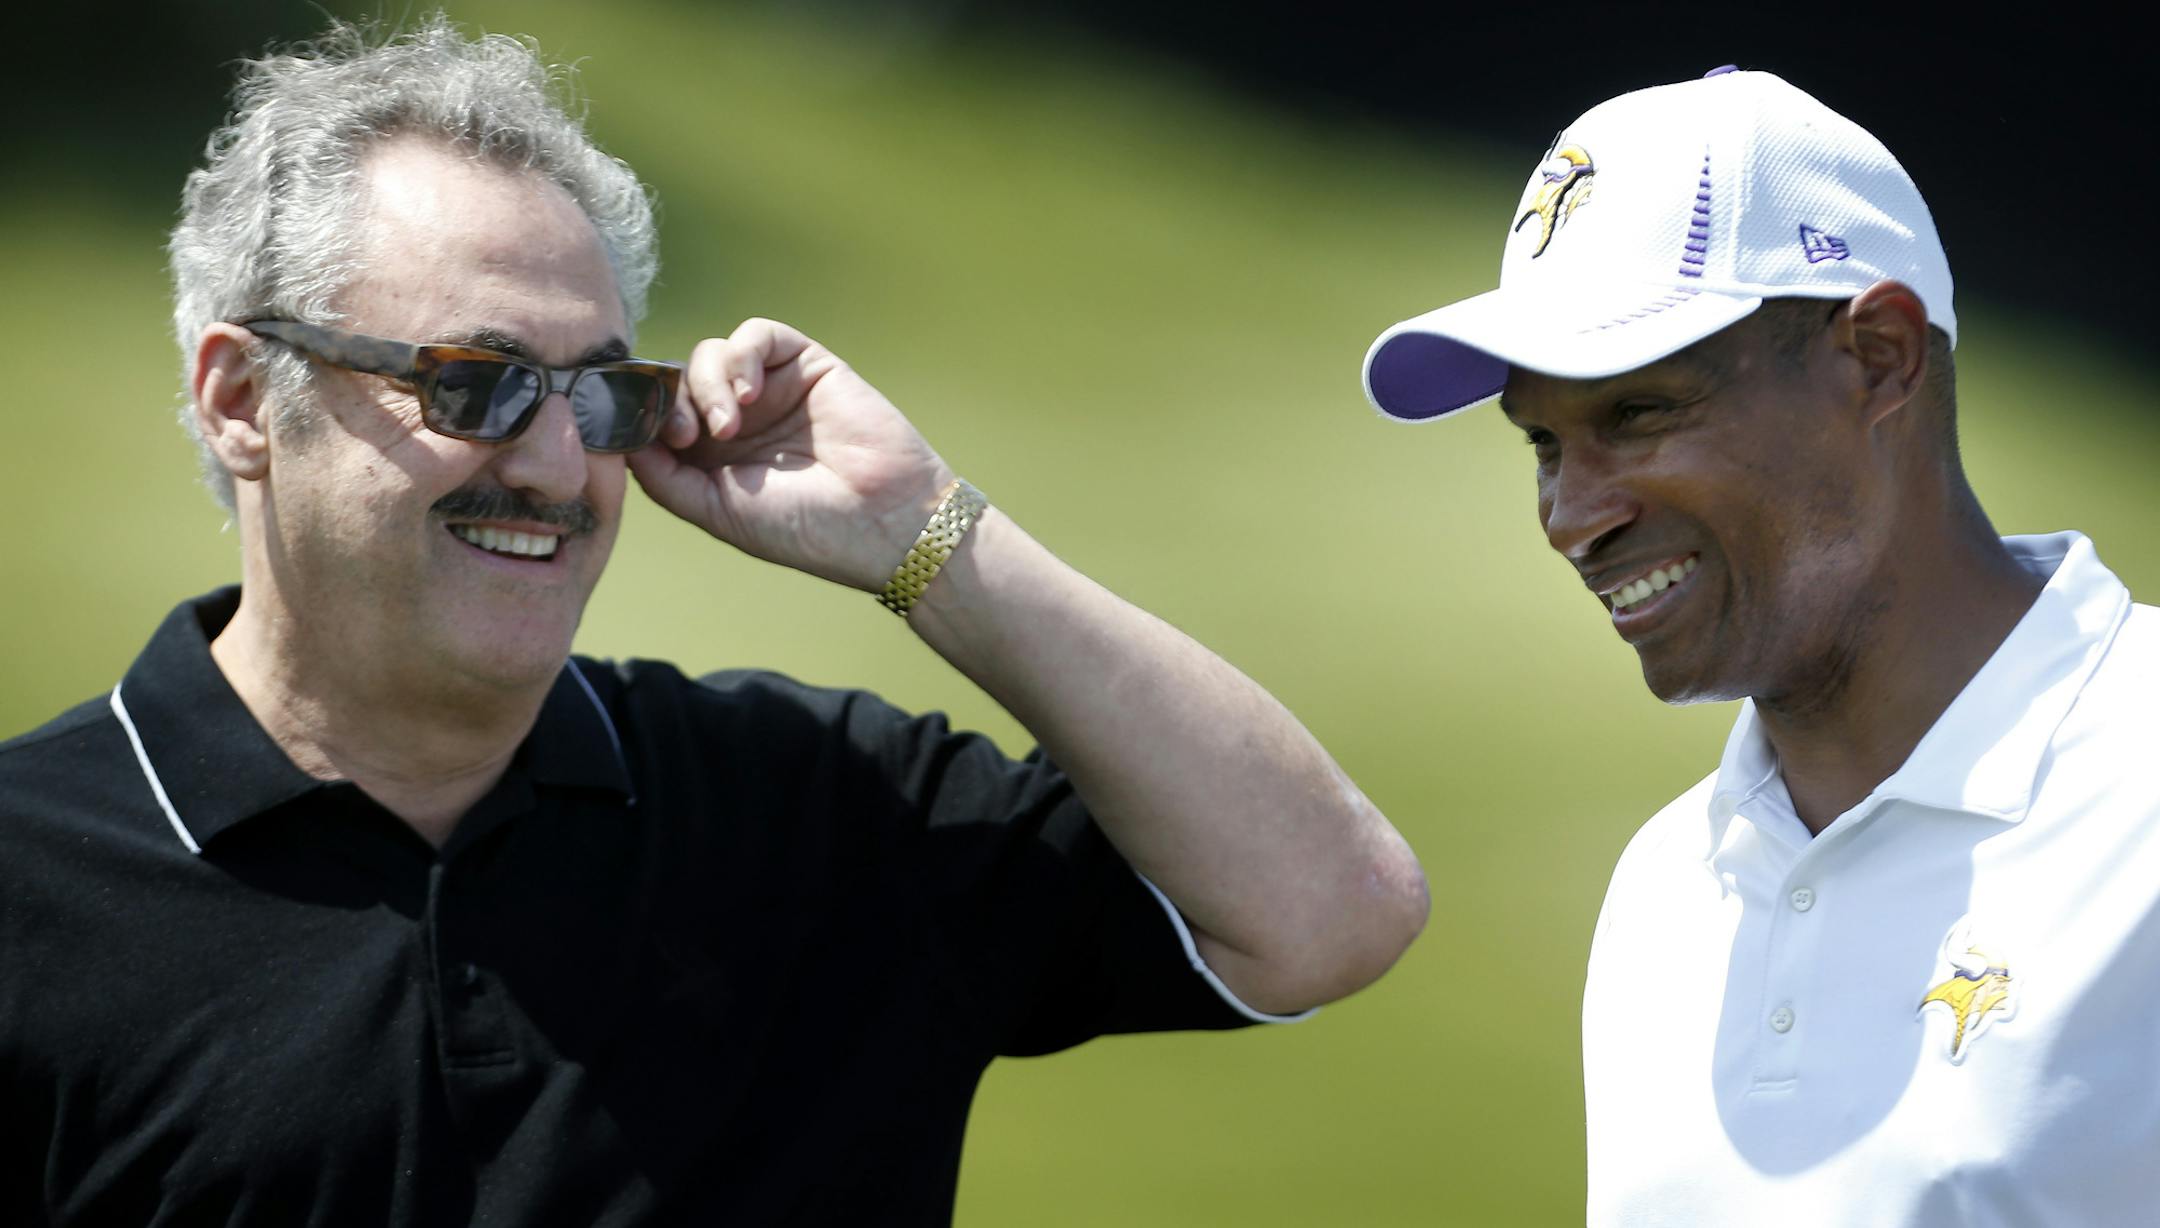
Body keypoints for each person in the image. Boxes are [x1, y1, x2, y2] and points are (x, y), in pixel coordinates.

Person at [0, 16, 1429, 1226]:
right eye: (475, 382)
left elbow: (1331, 911)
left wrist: (921, 529)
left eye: (604, 392)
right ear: (245, 400)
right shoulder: (31, 893)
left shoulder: (813, 811)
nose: (559, 467)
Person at [1360, 67, 2157, 1223]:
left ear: (1878, 358)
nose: (1571, 516)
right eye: (1543, 443)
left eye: (1639, 414)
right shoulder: (1665, 891)